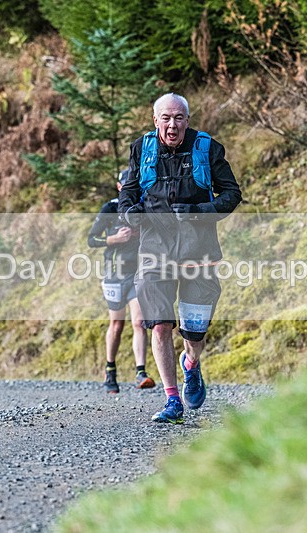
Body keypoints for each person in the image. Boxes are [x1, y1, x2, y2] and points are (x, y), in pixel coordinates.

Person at [119, 93, 242, 424]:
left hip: (198, 251)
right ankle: (172, 399)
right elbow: (126, 194)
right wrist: (131, 214)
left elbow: (232, 194)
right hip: (154, 252)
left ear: (187, 120)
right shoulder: (141, 150)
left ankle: (192, 363)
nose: (172, 124)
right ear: (155, 119)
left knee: (194, 332)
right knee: (159, 325)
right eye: (166, 118)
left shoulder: (207, 149)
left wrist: (199, 211)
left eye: (179, 118)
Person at [88, 170, 156, 393]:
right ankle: (110, 371)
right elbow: (91, 239)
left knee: (139, 322)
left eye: (133, 186)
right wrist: (114, 239)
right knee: (116, 325)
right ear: (119, 187)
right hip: (114, 274)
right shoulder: (109, 208)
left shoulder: (142, 208)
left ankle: (141, 372)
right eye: (126, 186)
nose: (130, 189)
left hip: (137, 273)